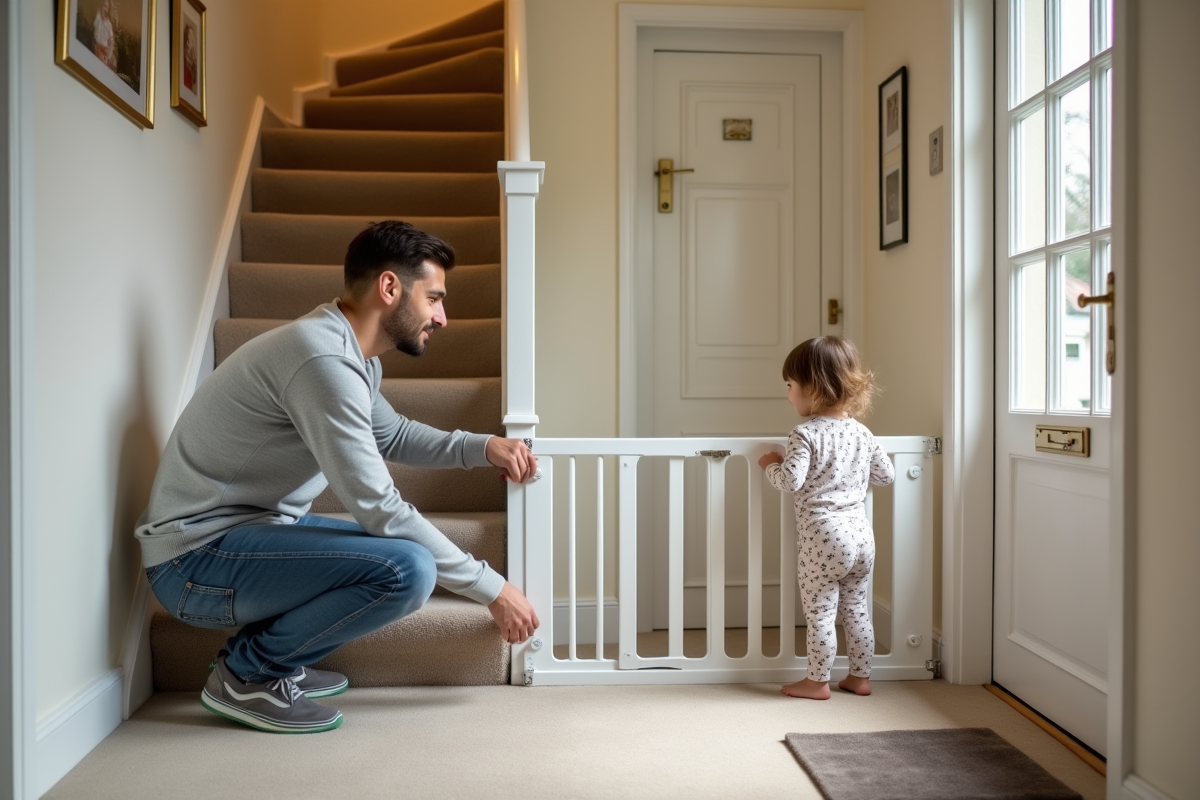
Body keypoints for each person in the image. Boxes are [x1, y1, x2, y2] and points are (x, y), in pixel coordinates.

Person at [135, 221, 540, 733]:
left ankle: (267, 655)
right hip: (194, 563)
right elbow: (380, 508)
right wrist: (493, 589)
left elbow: (392, 434)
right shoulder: (323, 359)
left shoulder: (347, 353)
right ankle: (249, 673)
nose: (442, 317)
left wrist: (482, 447)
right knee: (408, 569)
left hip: (242, 537)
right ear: (389, 287)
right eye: (434, 298)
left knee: (396, 554)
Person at [757, 336, 895, 700]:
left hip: (823, 538)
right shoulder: (862, 433)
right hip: (861, 537)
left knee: (821, 614)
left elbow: (790, 481)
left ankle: (817, 682)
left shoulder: (804, 434)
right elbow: (886, 475)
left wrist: (771, 464)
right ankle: (860, 678)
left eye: (790, 385)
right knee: (857, 610)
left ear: (812, 388)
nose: (788, 395)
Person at [92, 0, 118, 71]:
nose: (104, 8)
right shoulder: (98, 17)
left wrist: (108, 56)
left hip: (104, 52)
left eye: (106, 7)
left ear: (108, 10)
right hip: (96, 48)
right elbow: (94, 26)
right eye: (103, 5)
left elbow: (111, 42)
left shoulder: (109, 24)